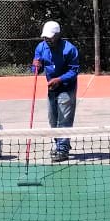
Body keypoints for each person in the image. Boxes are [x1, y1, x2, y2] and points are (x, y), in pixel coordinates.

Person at [32, 20, 79, 162]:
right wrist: (36, 66)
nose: (47, 39)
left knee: (64, 119)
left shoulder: (70, 49)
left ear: (58, 35)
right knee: (53, 120)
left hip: (66, 87)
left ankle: (62, 149)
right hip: (51, 88)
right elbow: (36, 68)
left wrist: (59, 79)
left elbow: (74, 70)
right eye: (45, 37)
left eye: (50, 37)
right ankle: (59, 144)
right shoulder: (41, 47)